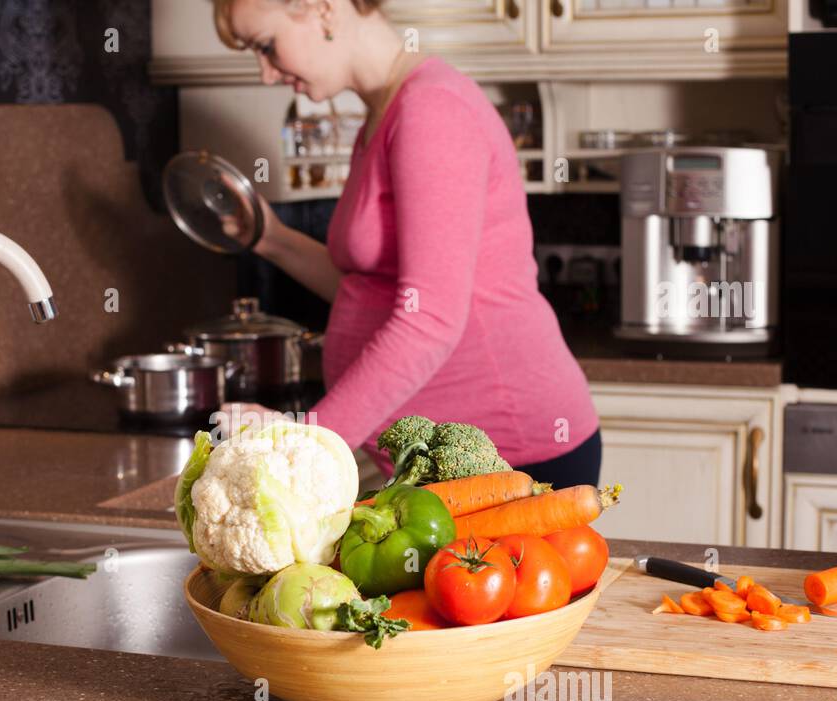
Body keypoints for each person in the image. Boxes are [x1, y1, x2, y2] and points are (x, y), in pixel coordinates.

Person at [211, 0, 601, 489]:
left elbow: (429, 318)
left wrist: (310, 444)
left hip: (512, 459)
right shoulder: (385, 111)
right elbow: (376, 291)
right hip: (441, 465)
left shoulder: (432, 110)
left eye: (266, 46)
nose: (266, 73)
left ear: (321, 8)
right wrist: (269, 239)